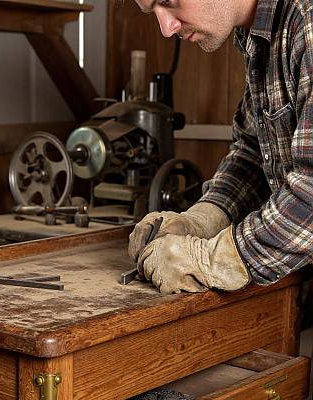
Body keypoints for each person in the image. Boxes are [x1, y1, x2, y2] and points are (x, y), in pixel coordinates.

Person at [128, 0, 313, 294]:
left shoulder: (307, 18)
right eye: (154, 12)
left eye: (167, 2)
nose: (166, 28)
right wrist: (205, 218)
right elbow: (256, 152)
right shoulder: (261, 33)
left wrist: (215, 259)